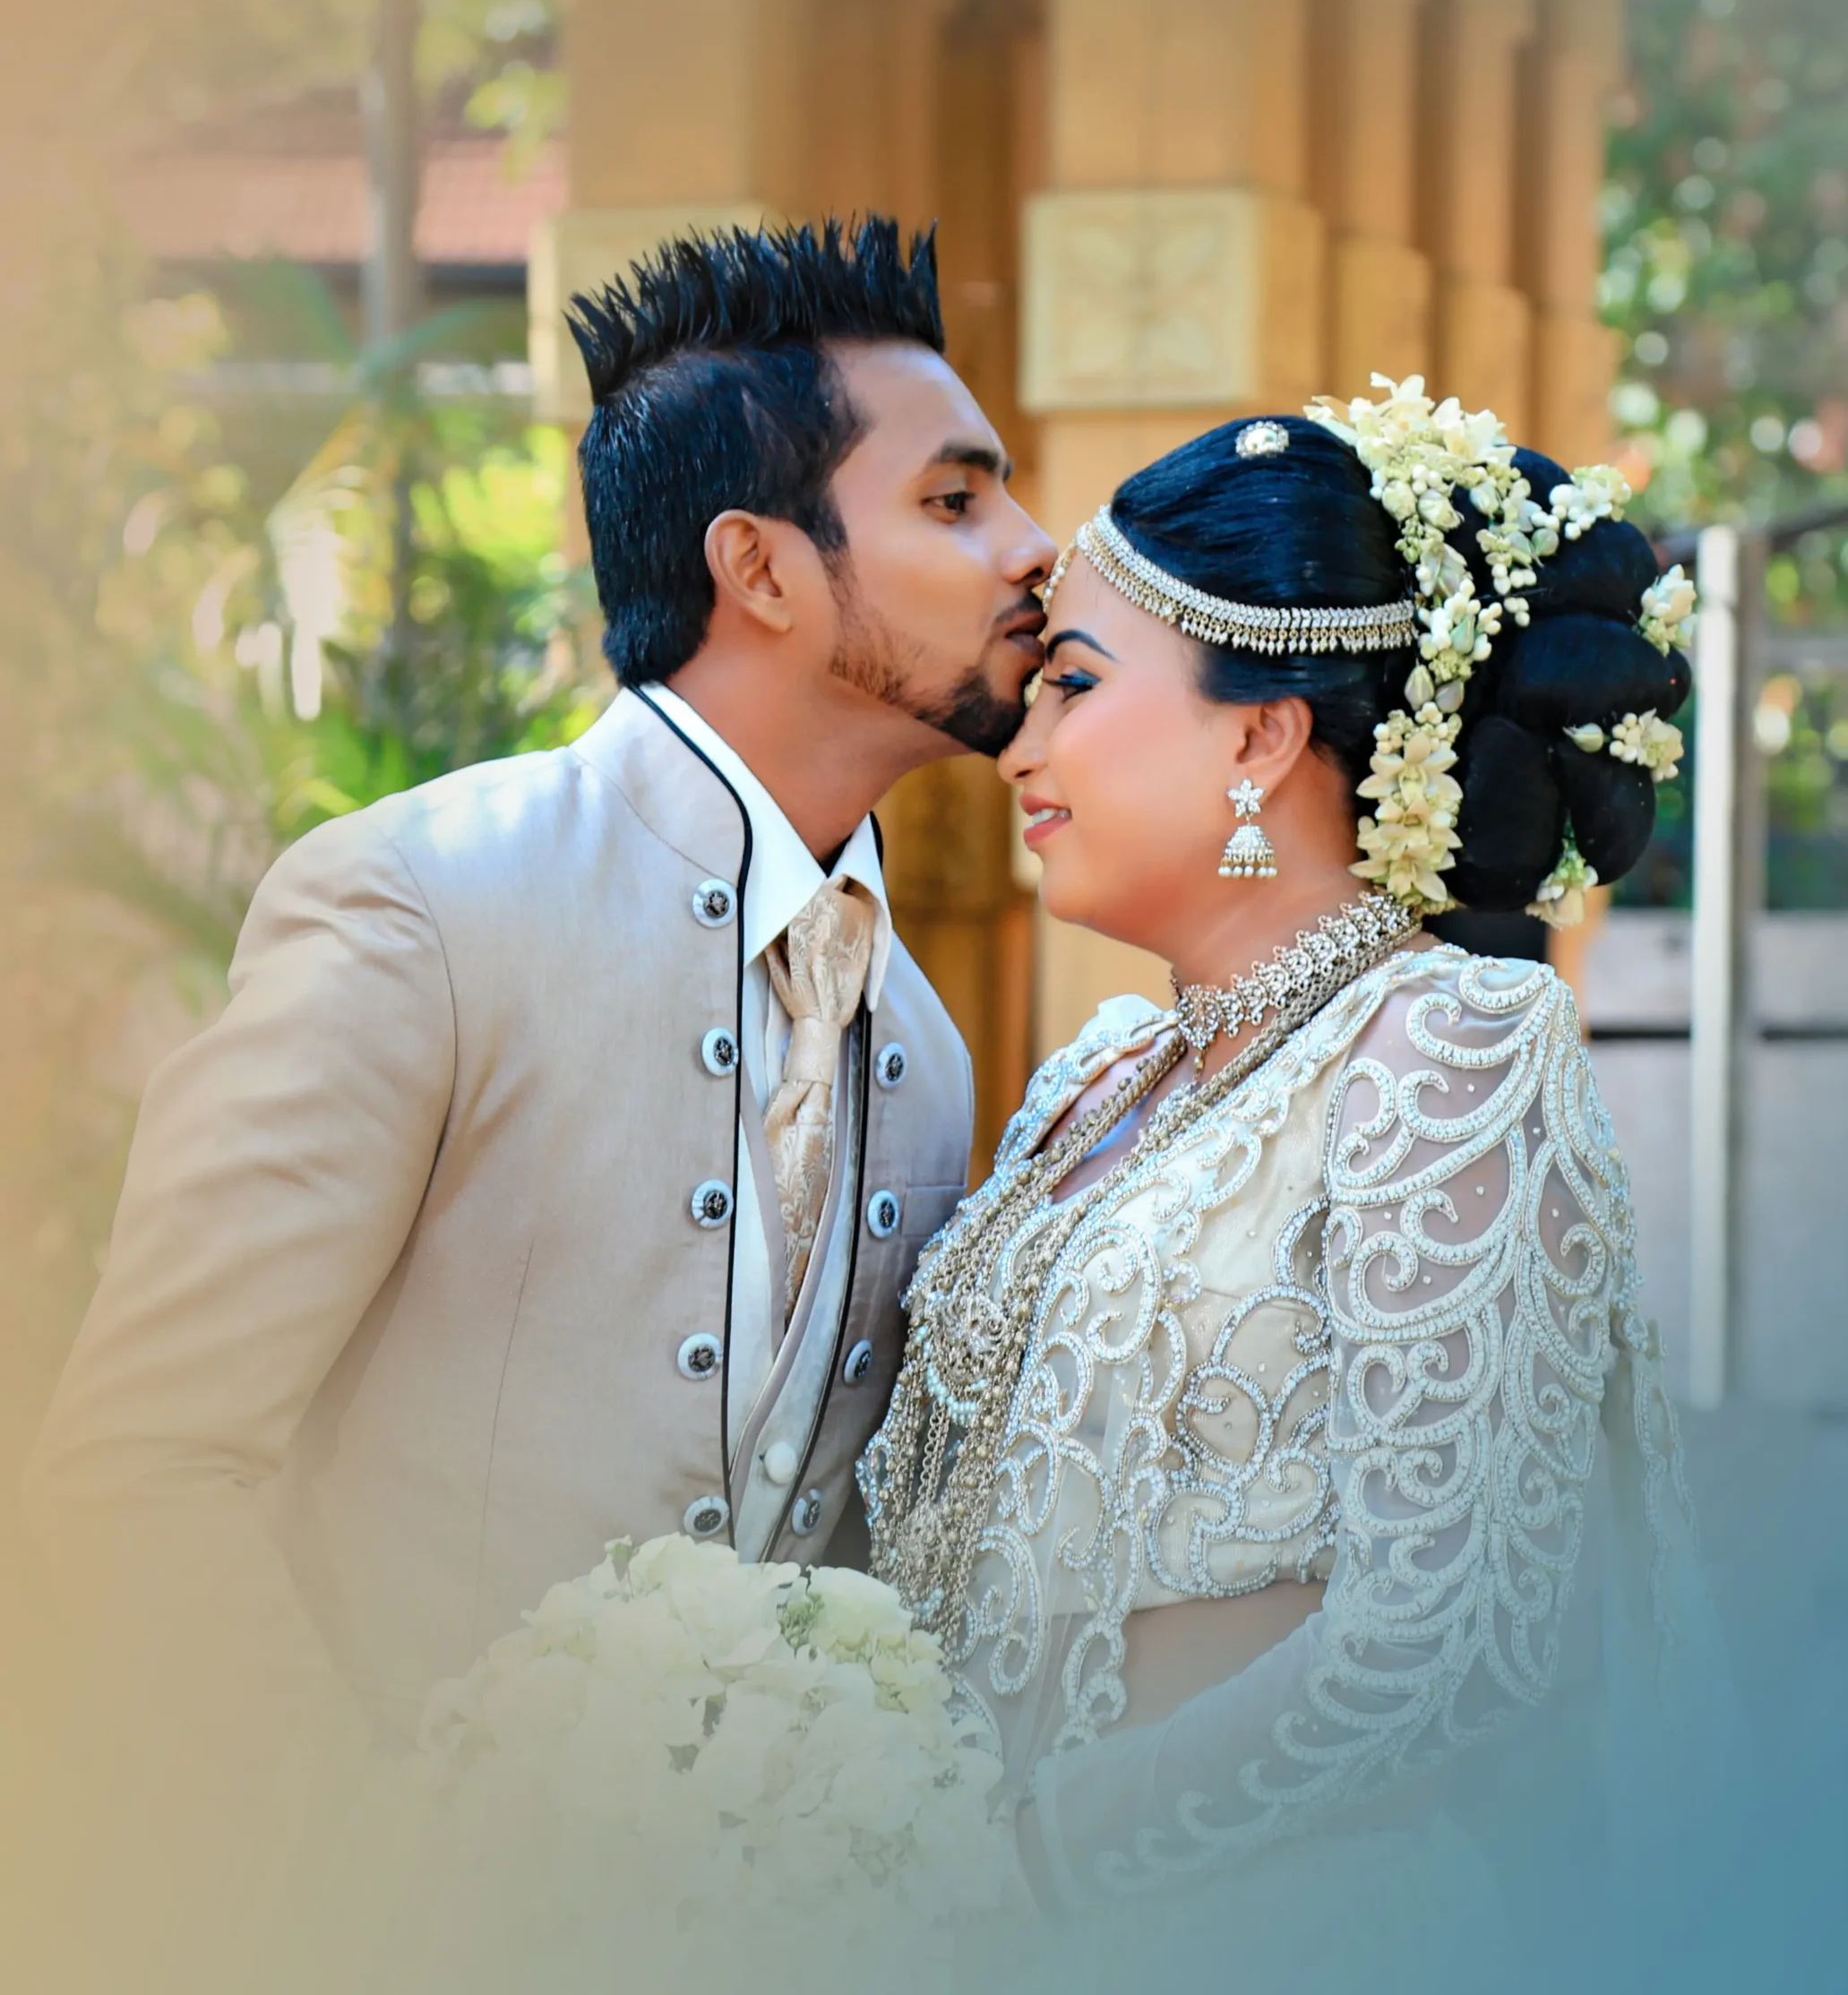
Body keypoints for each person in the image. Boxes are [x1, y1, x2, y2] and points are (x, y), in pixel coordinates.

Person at [19, 217, 1056, 1965]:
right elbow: (139, 1466)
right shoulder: (421, 906)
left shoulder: (926, 1046)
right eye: (956, 501)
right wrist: (366, 1853)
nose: (1037, 548)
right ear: (762, 567)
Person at [859, 379, 1714, 1940]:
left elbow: (1448, 1638)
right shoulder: (1097, 1081)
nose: (1018, 747)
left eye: (1073, 684)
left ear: (1259, 733)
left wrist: (1033, 1866)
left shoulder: (1448, 1046)